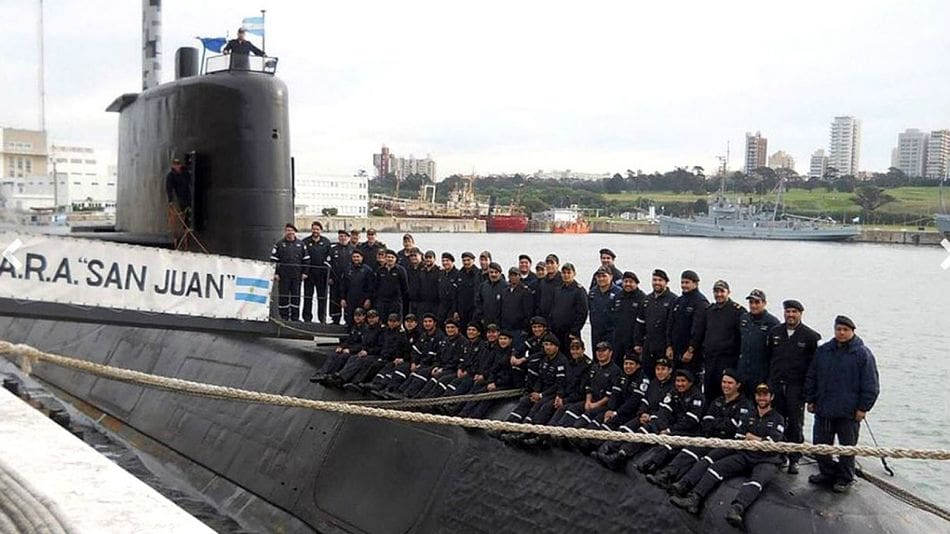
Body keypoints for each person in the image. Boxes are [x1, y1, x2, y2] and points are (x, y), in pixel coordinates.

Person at [670, 383, 786, 530]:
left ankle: (737, 508)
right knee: (716, 467)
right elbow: (739, 436)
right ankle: (695, 498)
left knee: (757, 481)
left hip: (766, 460)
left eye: (765, 395)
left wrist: (751, 437)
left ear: (771, 397)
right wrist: (757, 440)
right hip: (745, 454)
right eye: (759, 395)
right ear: (755, 397)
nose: (761, 398)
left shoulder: (778, 418)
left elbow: (772, 443)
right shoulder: (749, 415)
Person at [805, 315, 880, 493]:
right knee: (820, 446)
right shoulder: (824, 351)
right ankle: (827, 473)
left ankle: (845, 477)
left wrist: (863, 408)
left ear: (852, 331)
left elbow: (871, 385)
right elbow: (812, 375)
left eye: (845, 330)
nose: (841, 333)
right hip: (824, 408)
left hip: (849, 411)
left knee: (846, 448)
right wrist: (810, 398)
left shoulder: (862, 354)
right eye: (838, 329)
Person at [646, 368, 752, 489]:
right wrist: (720, 424)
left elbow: (733, 427)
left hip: (728, 443)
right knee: (690, 450)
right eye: (724, 382)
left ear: (738, 385)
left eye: (729, 383)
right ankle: (667, 475)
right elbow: (706, 422)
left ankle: (685, 485)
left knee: (707, 459)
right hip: (710, 437)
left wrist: (716, 424)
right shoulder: (718, 401)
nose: (725, 386)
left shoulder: (745, 405)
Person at [767, 299, 821, 474]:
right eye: (788, 311)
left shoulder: (810, 337)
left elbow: (814, 367)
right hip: (777, 385)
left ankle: (794, 458)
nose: (790, 315)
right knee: (778, 420)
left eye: (794, 312)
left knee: (795, 423)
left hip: (796, 387)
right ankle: (779, 453)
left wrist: (810, 393)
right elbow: (769, 359)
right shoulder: (775, 333)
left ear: (800, 313)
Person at [498, 333, 568, 438]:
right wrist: (535, 391)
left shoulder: (561, 362)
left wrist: (541, 395)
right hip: (542, 390)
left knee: (541, 405)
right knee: (525, 401)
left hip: (553, 393)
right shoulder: (545, 359)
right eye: (546, 344)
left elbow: (559, 384)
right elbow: (540, 379)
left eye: (550, 345)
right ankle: (508, 426)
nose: (548, 347)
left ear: (556, 347)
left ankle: (527, 432)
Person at [689, 280, 744, 404]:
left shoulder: (737, 311)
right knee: (709, 392)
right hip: (710, 359)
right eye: (716, 291)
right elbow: (701, 333)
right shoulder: (709, 311)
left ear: (728, 292)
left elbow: (741, 337)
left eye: (722, 291)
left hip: (727, 360)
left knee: (725, 392)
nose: (719, 294)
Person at [666, 270, 708, 380]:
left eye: (687, 282)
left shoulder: (700, 302)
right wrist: (669, 346)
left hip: (691, 353)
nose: (684, 285)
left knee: (690, 380)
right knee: (676, 379)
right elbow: (670, 324)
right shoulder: (678, 301)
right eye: (682, 282)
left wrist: (691, 350)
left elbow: (698, 329)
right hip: (676, 350)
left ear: (695, 283)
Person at [634, 269, 676, 379]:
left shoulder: (673, 300)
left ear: (666, 282)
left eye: (660, 280)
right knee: (648, 372)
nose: (657, 282)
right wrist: (638, 343)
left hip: (664, 345)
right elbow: (640, 323)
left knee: (664, 375)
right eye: (654, 280)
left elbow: (673, 327)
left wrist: (669, 346)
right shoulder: (647, 300)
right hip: (649, 344)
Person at [736, 289, 780, 395]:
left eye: (757, 302)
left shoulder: (772, 323)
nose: (753, 306)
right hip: (743, 371)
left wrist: (769, 378)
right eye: (751, 302)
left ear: (764, 303)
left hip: (761, 373)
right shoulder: (744, 318)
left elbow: (776, 353)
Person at [270, 224, 309, 321]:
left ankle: (295, 317)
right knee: (284, 296)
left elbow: (307, 260)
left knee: (296, 296)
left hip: (297, 275)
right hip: (284, 276)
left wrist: (305, 273)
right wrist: (275, 273)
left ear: (295, 232)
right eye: (288, 230)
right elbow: (273, 260)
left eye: (292, 230)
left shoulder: (301, 244)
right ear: (285, 231)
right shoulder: (279, 244)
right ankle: (284, 317)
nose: (290, 232)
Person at [611, 271, 646, 367]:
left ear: (636, 283)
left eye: (631, 282)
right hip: (618, 339)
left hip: (633, 341)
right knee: (617, 364)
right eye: (625, 281)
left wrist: (639, 342)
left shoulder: (642, 298)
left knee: (632, 366)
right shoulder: (618, 297)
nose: (628, 284)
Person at [549, 263, 588, 349]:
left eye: (568, 273)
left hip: (570, 333)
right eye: (564, 273)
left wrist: (574, 331)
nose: (566, 275)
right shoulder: (558, 290)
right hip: (557, 332)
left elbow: (583, 313)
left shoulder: (579, 291)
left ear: (574, 274)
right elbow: (553, 309)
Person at [302, 222, 332, 323]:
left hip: (321, 275)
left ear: (321, 230)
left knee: (322, 298)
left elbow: (329, 259)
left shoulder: (326, 242)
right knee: (307, 297)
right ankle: (307, 318)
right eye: (314, 229)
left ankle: (322, 319)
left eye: (317, 229)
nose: (315, 231)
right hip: (309, 275)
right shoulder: (305, 242)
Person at [499, 267, 534, 348]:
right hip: (505, 328)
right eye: (511, 275)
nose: (513, 277)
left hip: (519, 329)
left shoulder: (525, 292)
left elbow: (528, 312)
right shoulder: (504, 292)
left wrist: (525, 329)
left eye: (515, 275)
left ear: (519, 276)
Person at [588, 267, 621, 350]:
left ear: (611, 276)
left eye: (604, 276)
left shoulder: (619, 293)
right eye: (599, 277)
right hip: (596, 332)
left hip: (612, 333)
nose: (601, 279)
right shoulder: (592, 292)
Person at [341, 249, 374, 327]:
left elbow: (371, 286)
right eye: (354, 257)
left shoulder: (367, 270)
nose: (356, 258)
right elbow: (343, 285)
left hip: (362, 300)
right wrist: (343, 298)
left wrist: (368, 299)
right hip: (350, 299)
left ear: (362, 258)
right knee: (349, 320)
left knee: (362, 320)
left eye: (358, 257)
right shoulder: (347, 269)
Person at [327, 230, 354, 324]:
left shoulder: (353, 249)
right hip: (335, 279)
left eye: (345, 236)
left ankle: (348, 320)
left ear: (348, 238)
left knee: (348, 300)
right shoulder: (333, 249)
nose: (343, 238)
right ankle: (335, 319)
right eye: (341, 236)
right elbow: (328, 265)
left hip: (348, 280)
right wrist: (329, 277)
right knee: (335, 300)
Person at [373, 249, 408, 320]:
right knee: (383, 322)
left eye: (392, 257)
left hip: (395, 302)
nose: (390, 259)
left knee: (395, 321)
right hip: (382, 302)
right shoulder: (380, 270)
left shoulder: (401, 270)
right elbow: (376, 286)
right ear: (385, 258)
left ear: (395, 259)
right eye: (388, 257)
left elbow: (405, 287)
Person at [474, 262, 507, 327]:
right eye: (491, 272)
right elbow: (478, 302)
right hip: (486, 322)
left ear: (500, 273)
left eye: (496, 272)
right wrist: (481, 317)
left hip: (501, 323)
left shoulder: (506, 286)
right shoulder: (483, 286)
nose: (493, 274)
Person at [164, 157, 192, 227]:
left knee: (190, 211)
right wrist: (170, 200)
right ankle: (185, 229)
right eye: (175, 165)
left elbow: (191, 182)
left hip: (189, 194)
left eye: (178, 164)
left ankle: (188, 228)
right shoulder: (171, 176)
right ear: (173, 166)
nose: (177, 166)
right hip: (181, 196)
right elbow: (169, 188)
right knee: (184, 211)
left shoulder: (186, 173)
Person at [456, 252, 481, 324]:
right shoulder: (460, 274)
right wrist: (456, 310)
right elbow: (456, 293)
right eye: (464, 260)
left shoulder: (478, 274)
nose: (466, 262)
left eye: (468, 260)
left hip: (473, 309)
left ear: (473, 260)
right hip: (461, 310)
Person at [437, 253, 460, 323]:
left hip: (453, 306)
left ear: (452, 261)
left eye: (447, 261)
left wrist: (456, 310)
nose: (445, 263)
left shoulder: (458, 274)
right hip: (442, 306)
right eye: (443, 261)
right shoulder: (441, 273)